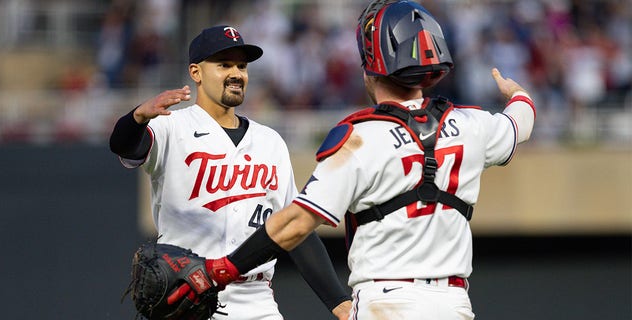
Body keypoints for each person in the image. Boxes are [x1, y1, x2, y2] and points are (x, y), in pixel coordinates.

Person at [196, 1, 536, 320]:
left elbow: (296, 224)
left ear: (371, 67)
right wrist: (517, 94)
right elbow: (521, 122)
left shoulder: (360, 138)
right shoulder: (471, 125)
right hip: (454, 305)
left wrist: (218, 270)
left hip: (385, 302)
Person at [109, 25, 351, 319]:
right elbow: (124, 145)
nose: (236, 73)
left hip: (257, 300)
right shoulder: (171, 126)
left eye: (242, 66)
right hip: (191, 298)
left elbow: (295, 230)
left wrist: (339, 302)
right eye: (224, 64)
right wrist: (136, 118)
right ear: (196, 73)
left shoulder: (269, 141)